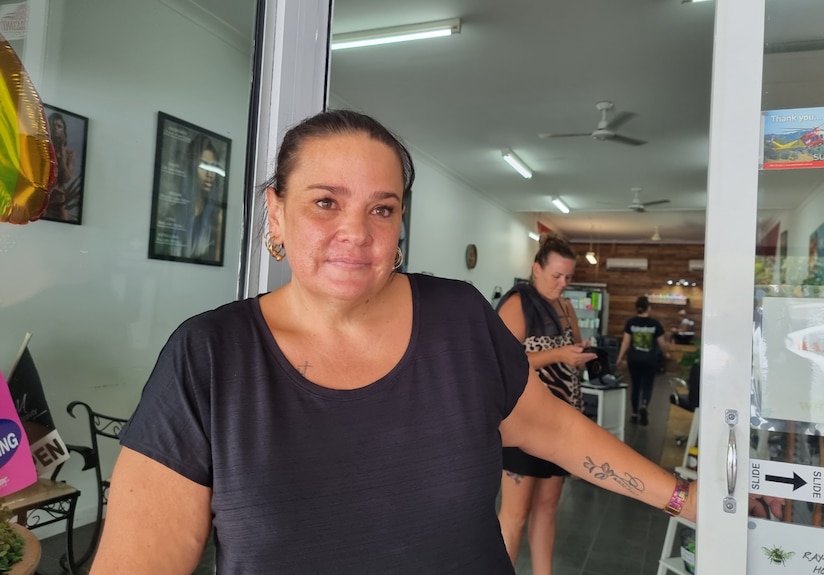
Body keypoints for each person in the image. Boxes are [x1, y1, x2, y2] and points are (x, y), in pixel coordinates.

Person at [91, 110, 696, 575]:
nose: (355, 232)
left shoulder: (457, 317)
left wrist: (685, 500)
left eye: (382, 210)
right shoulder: (210, 358)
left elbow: (555, 429)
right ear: (275, 215)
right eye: (325, 202)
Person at [495, 233, 593, 575]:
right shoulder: (518, 302)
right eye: (556, 276)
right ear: (536, 269)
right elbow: (501, 362)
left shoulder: (565, 307)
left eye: (568, 277)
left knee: (548, 508)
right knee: (515, 515)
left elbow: (572, 347)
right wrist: (559, 355)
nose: (563, 284)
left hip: (560, 422)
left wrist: (580, 353)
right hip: (524, 423)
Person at [616, 295, 672, 426]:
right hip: (649, 360)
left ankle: (634, 414)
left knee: (635, 386)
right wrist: (666, 354)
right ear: (649, 308)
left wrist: (620, 358)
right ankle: (644, 405)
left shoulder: (631, 323)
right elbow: (662, 343)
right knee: (647, 385)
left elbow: (625, 342)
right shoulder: (655, 324)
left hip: (634, 359)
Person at [169, 134, 225, 261]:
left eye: (213, 167)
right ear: (191, 169)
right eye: (203, 166)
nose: (210, 174)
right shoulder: (173, 213)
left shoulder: (218, 217)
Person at [44, 112, 78, 221]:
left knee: (65, 218)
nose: (56, 128)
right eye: (53, 125)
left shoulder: (69, 154)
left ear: (63, 130)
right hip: (44, 194)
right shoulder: (43, 150)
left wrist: (63, 156)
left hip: (60, 197)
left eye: (59, 126)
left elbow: (67, 178)